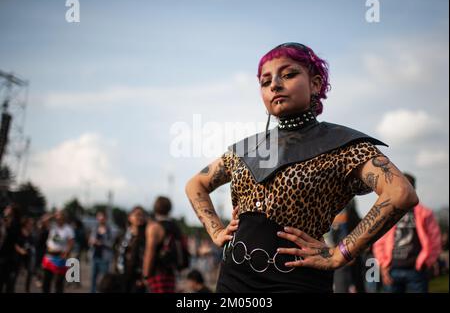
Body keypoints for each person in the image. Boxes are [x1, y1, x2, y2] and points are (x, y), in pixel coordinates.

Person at [185, 42, 419, 292]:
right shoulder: (247, 149)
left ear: (316, 84)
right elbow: (195, 185)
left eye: (288, 74)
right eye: (265, 81)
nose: (274, 84)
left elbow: (400, 193)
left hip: (297, 281)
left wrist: (341, 252)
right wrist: (216, 231)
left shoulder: (343, 145)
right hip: (234, 280)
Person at [373, 173, 442, 293]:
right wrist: (383, 266)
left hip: (416, 269)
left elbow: (435, 240)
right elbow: (379, 241)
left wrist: (427, 262)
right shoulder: (389, 213)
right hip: (392, 269)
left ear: (413, 189)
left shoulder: (424, 213)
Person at [143, 196, 183, 293]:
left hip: (158, 272)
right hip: (171, 272)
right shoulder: (175, 227)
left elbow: (150, 252)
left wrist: (145, 275)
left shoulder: (154, 227)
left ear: (155, 207)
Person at [41, 210, 75, 293]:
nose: (59, 218)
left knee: (58, 283)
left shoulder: (68, 229)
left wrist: (67, 253)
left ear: (64, 218)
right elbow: (43, 221)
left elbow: (71, 242)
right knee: (46, 282)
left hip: (60, 257)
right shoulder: (52, 226)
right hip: (49, 256)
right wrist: (52, 215)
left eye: (61, 216)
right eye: (57, 216)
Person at [115, 206, 147, 293]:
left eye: (142, 215)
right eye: (137, 215)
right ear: (130, 217)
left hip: (137, 278)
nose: (140, 218)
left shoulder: (147, 236)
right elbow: (117, 254)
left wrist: (143, 277)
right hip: (122, 275)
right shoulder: (123, 235)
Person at [89, 210, 114, 293]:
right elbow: (90, 240)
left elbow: (112, 244)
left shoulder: (110, 230)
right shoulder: (94, 228)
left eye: (102, 217)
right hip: (94, 256)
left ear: (105, 218)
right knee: (93, 279)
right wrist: (91, 241)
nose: (101, 219)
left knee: (104, 280)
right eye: (99, 217)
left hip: (104, 258)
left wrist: (101, 243)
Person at [0, 205, 21, 293]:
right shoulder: (2, 221)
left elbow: (14, 238)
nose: (5, 210)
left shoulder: (16, 223)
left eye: (8, 209)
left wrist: (7, 225)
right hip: (1, 254)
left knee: (9, 283)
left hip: (9, 257)